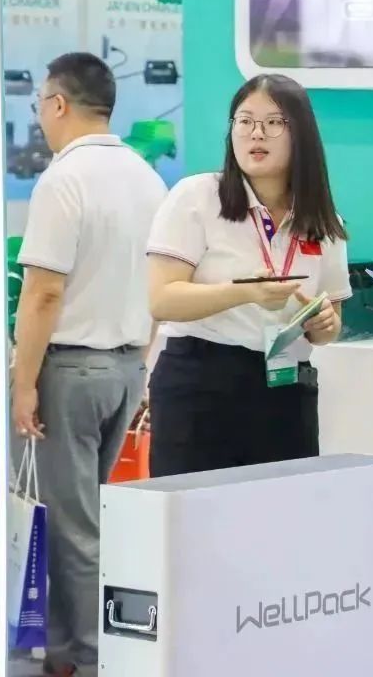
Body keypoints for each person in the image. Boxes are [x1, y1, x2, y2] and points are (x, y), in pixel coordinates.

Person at [10, 52, 167, 677]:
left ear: (57, 104)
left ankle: (92, 657)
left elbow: (43, 294)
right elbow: (162, 286)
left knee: (74, 528)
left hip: (70, 372)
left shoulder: (63, 180)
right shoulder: (148, 180)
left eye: (39, 105)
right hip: (126, 368)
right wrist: (142, 364)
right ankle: (68, 653)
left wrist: (24, 382)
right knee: (85, 519)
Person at [146, 74, 351, 477]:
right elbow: (162, 299)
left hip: (286, 388)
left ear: (301, 134)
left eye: (273, 123)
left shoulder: (325, 222)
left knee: (280, 509)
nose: (256, 133)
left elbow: (330, 325)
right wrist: (244, 293)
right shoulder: (197, 197)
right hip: (200, 384)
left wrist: (324, 324)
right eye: (245, 121)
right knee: (196, 512)